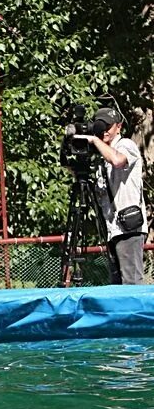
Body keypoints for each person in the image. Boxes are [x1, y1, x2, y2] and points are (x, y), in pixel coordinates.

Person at [82, 107, 147, 285]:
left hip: (128, 227)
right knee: (118, 284)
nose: (103, 131)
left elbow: (118, 161)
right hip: (112, 228)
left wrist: (95, 140)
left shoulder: (125, 145)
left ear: (118, 127)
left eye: (107, 127)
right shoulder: (101, 156)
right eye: (99, 127)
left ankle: (135, 313)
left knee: (131, 283)